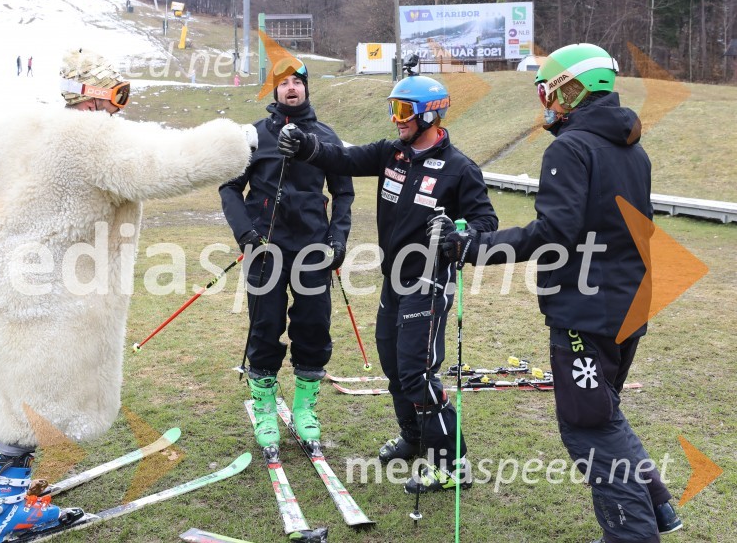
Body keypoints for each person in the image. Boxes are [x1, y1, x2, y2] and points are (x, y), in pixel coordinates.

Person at [0, 48, 257, 542]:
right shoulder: (91, 138)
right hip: (44, 296)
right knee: (35, 406)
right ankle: (4, 511)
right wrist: (237, 141)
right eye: (118, 96)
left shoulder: (9, 132)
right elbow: (164, 166)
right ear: (97, 96)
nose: (119, 110)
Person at [437, 43, 682, 542]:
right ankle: (656, 507)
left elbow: (555, 232)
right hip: (626, 303)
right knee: (603, 411)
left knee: (586, 424)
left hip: (588, 311)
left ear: (571, 88)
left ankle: (632, 534)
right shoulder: (630, 147)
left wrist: (474, 247)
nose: (545, 103)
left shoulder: (569, 148)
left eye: (547, 91)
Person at [277, 63, 498, 493]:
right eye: (393, 109)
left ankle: (453, 464)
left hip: (429, 285)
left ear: (430, 115)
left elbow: (485, 221)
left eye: (403, 111)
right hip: (392, 281)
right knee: (395, 369)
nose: (396, 120)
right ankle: (414, 439)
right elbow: (340, 156)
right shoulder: (390, 153)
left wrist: (458, 231)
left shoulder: (459, 169)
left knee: (417, 374)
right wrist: (306, 145)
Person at [219, 59, 354, 452]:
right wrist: (246, 235)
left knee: (314, 328)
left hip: (313, 250)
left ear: (307, 88)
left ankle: (304, 408)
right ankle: (263, 408)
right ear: (274, 91)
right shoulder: (254, 136)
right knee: (265, 328)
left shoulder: (327, 137)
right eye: (283, 83)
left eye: (298, 81)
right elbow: (229, 188)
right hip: (266, 250)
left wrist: (339, 238)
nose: (291, 88)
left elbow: (343, 192)